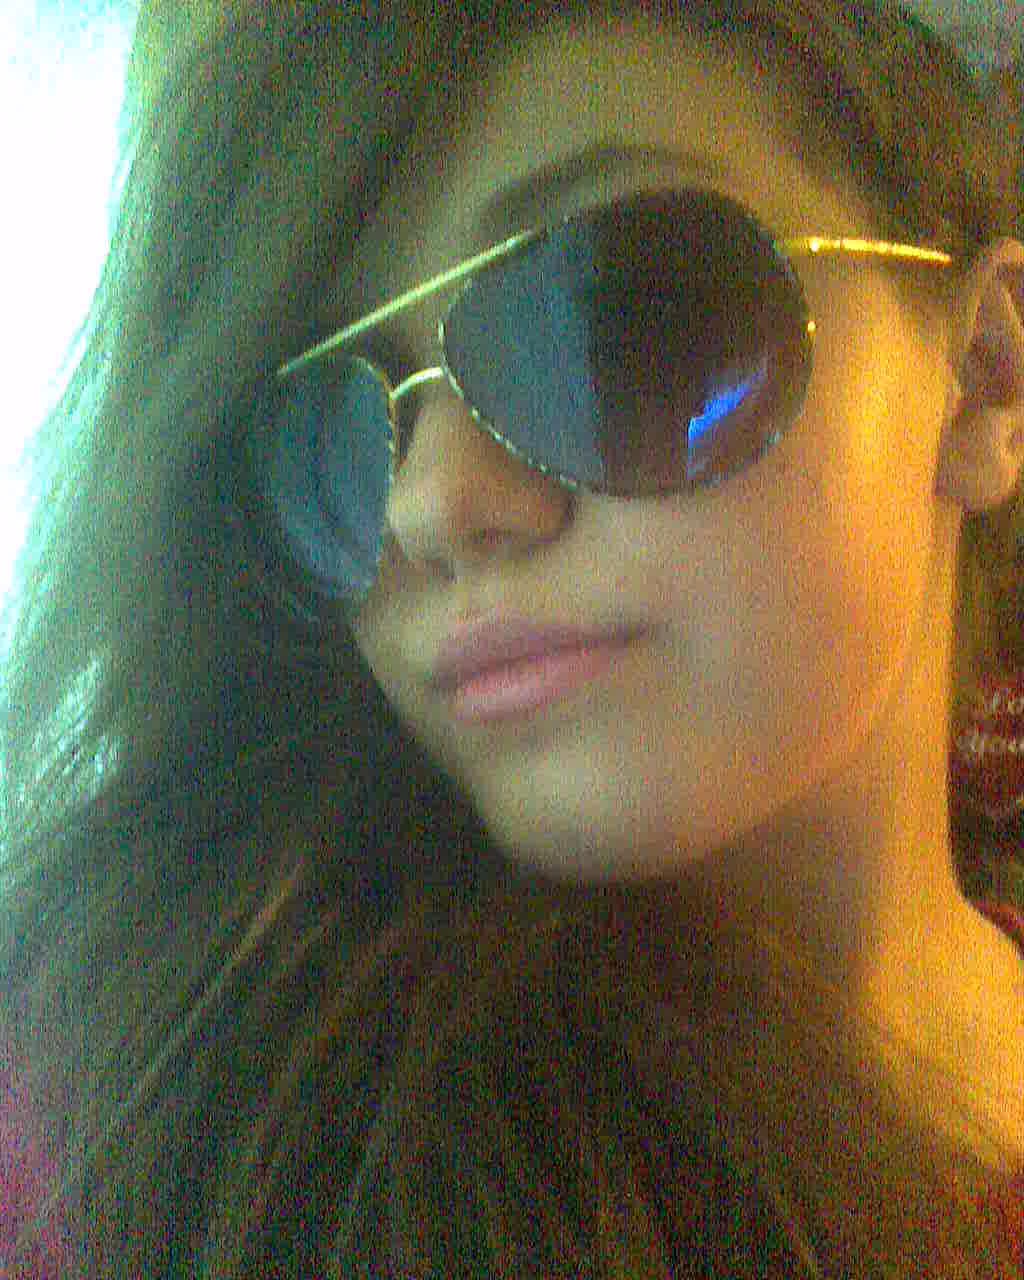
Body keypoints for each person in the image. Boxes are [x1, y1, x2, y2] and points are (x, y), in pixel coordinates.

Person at [0, 1, 1021, 1275]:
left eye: (614, 313)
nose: (427, 505)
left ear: (985, 378)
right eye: (323, 426)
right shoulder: (136, 1117)